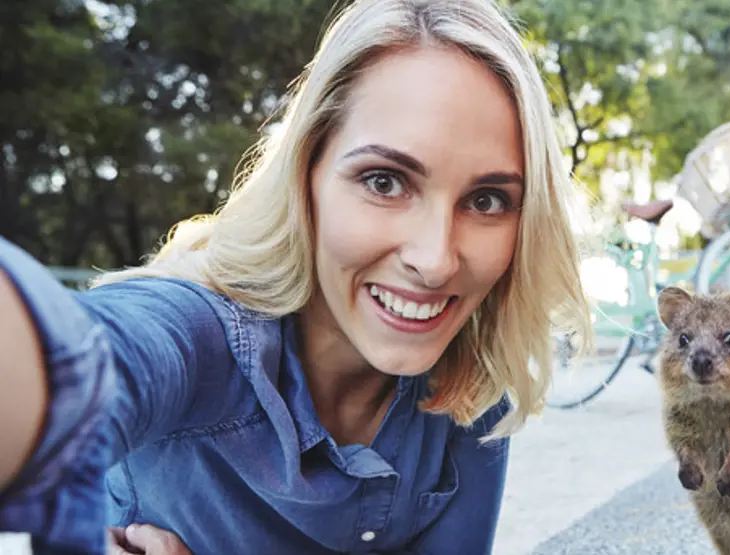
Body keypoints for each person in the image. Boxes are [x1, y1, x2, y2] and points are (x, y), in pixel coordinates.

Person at [0, 0, 592, 553]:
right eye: (385, 181)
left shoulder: (472, 389)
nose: (436, 260)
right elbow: (82, 360)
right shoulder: (197, 332)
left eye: (487, 200)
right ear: (306, 172)